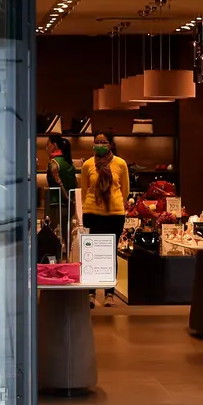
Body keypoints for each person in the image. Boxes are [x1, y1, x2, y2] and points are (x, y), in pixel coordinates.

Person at [79, 131, 130, 307]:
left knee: (110, 254)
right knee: (91, 254)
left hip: (114, 214)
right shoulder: (87, 165)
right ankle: (91, 293)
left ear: (110, 144)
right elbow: (84, 190)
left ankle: (109, 294)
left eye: (103, 141)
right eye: (97, 141)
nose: (100, 144)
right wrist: (92, 204)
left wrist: (113, 202)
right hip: (92, 213)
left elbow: (125, 190)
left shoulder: (120, 163)